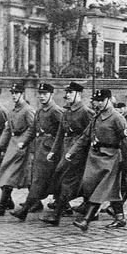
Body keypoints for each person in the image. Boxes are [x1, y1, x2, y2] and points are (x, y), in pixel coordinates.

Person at [68, 89, 127, 231]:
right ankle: (120, 217)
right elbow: (85, 137)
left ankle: (86, 220)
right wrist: (71, 152)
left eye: (101, 101)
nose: (98, 103)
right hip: (96, 158)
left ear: (109, 100)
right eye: (97, 101)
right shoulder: (96, 118)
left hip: (111, 158)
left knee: (100, 189)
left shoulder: (118, 118)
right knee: (96, 186)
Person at [40, 82, 95, 226]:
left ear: (79, 94)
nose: (67, 95)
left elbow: (91, 133)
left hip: (79, 152)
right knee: (60, 176)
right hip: (67, 150)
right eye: (67, 93)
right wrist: (53, 151)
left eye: (70, 93)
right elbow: (60, 134)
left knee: (67, 180)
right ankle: (89, 208)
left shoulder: (85, 111)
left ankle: (57, 214)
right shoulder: (67, 111)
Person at [10, 83, 63, 221]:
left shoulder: (55, 110)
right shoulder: (40, 110)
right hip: (40, 149)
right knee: (47, 180)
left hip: (50, 151)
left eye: (45, 94)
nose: (42, 96)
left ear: (52, 94)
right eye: (40, 94)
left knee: (39, 180)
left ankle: (25, 210)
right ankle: (64, 206)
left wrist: (55, 148)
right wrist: (24, 142)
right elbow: (33, 129)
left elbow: (63, 131)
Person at [0, 83, 35, 216]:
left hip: (23, 147)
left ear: (22, 94)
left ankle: (3, 205)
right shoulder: (12, 111)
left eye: (17, 93)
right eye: (12, 93)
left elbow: (33, 128)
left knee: (17, 175)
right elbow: (7, 130)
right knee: (6, 171)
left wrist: (23, 142)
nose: (14, 96)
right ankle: (9, 202)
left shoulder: (28, 110)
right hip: (13, 145)